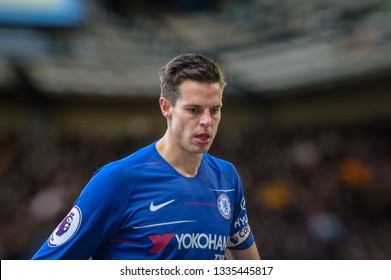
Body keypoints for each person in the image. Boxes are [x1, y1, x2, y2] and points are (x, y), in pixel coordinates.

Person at [32, 53, 260, 260]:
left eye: (215, 110)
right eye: (194, 110)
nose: (207, 121)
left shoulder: (227, 178)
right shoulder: (118, 180)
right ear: (166, 107)